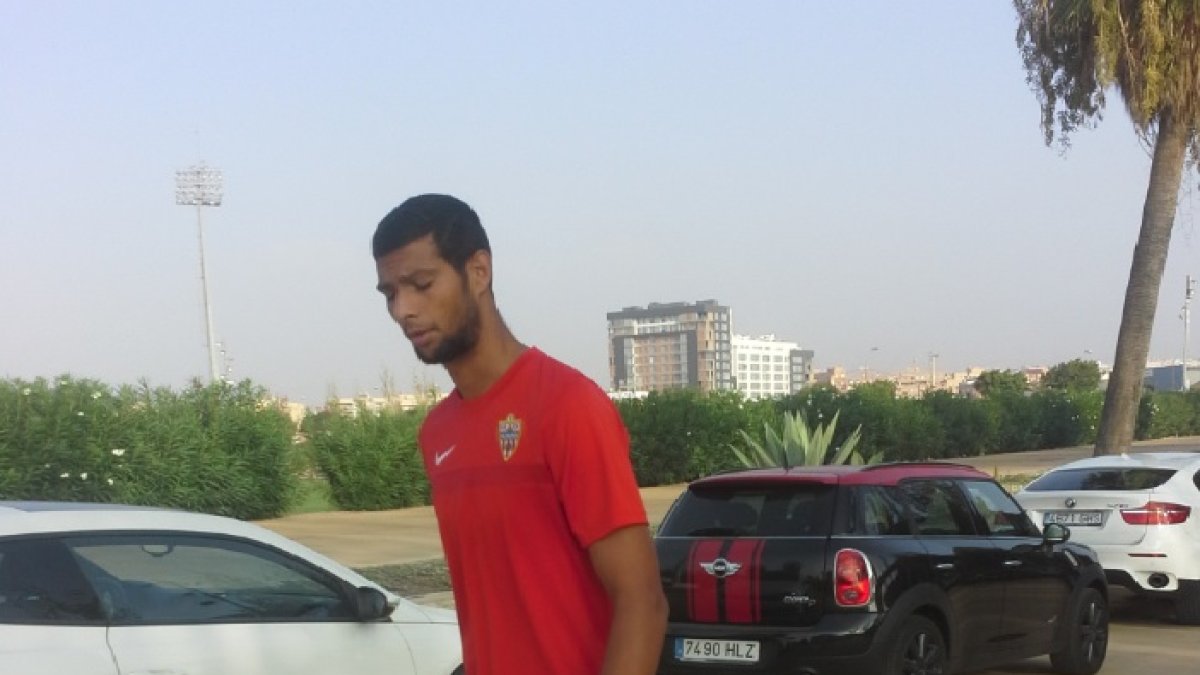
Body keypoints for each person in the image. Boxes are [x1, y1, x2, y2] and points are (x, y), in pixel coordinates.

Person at [371, 194, 668, 675]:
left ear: (479, 272)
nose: (403, 309)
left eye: (421, 285)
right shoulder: (437, 432)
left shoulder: (567, 406)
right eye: (389, 294)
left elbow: (643, 603)